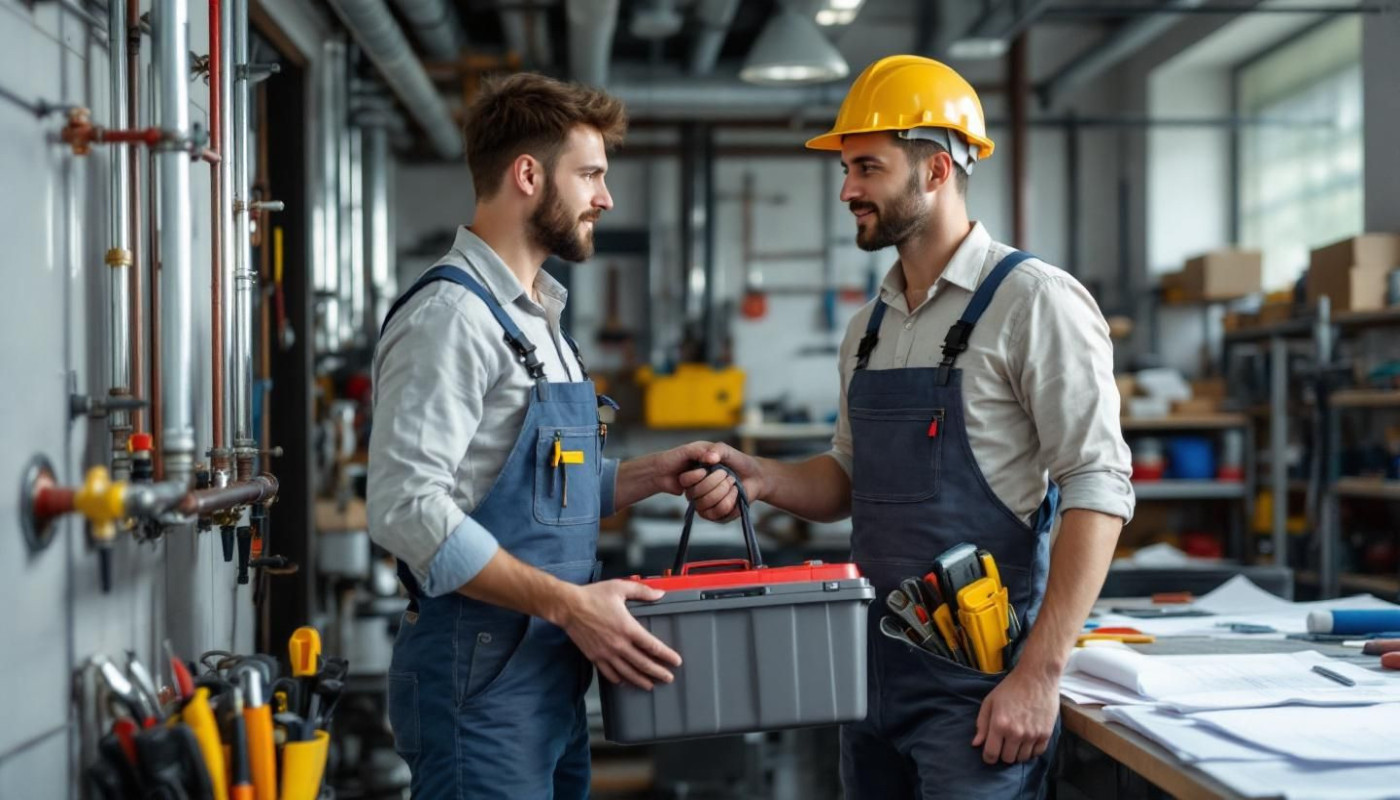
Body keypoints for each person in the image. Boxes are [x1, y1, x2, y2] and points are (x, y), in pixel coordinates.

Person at [683, 55, 1135, 798]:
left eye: (867, 167)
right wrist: (762, 477)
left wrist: (1038, 674)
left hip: (978, 687)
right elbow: (849, 476)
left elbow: (1098, 486)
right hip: (868, 678)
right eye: (847, 169)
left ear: (934, 171)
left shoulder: (1034, 302)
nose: (847, 189)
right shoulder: (869, 326)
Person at [368, 72, 709, 799]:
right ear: (528, 175)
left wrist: (654, 474)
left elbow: (528, 487)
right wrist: (567, 602)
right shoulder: (452, 317)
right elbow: (405, 508)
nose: (605, 197)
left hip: (547, 669)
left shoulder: (536, 317)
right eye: (590, 174)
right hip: (478, 674)